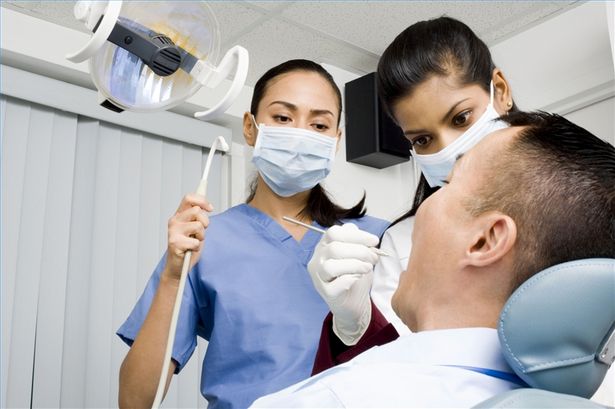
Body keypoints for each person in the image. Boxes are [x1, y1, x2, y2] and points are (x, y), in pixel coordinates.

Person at [253, 111, 615, 407]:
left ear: (485, 240)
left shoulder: (333, 400)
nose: (425, 206)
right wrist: (355, 324)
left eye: (449, 183)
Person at [116, 59, 389, 409]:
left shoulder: (374, 241)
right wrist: (172, 278)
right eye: (283, 118)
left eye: (319, 125)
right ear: (250, 127)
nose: (300, 134)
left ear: (335, 141)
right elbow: (135, 402)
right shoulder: (205, 242)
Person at [308, 16, 517, 353]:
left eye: (461, 118)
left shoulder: (578, 190)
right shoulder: (404, 242)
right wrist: (354, 324)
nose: (449, 149)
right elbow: (392, 368)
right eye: (422, 139)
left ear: (501, 91)